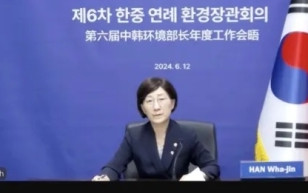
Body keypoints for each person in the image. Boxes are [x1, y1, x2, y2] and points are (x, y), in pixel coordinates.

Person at [92, 77, 220, 181]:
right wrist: (104, 177)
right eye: (149, 101)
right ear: (143, 108)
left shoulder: (186, 135)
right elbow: (114, 167)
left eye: (161, 99)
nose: (156, 107)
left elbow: (212, 166)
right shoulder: (134, 135)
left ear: (172, 103)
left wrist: (199, 175)